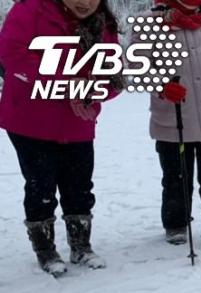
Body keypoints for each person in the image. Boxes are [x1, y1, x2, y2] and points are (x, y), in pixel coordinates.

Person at [0, 0, 124, 276]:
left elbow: (111, 76)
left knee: (79, 186)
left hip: (77, 122)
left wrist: (91, 93)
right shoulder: (30, 10)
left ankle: (81, 246)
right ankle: (45, 249)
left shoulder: (103, 24)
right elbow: (12, 54)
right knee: (40, 186)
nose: (84, 2)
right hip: (30, 119)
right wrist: (67, 82)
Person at [139, 0, 201, 249]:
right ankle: (176, 224)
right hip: (173, 117)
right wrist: (161, 85)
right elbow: (137, 65)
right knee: (176, 178)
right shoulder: (150, 22)